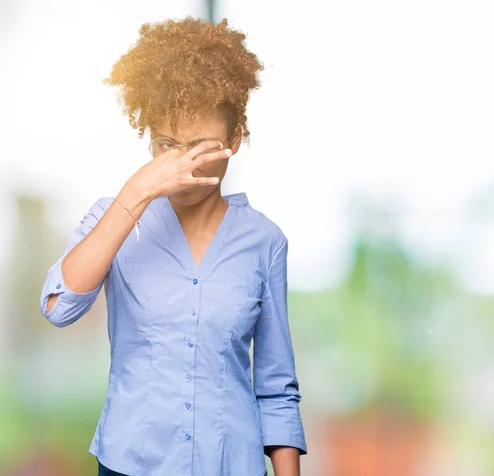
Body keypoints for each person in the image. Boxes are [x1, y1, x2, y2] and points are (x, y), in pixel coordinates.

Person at [39, 17, 307, 476]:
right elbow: (59, 307)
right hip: (131, 463)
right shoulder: (116, 217)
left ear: (235, 138)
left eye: (200, 147)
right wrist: (137, 193)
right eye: (167, 145)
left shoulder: (265, 242)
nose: (182, 165)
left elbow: (276, 386)